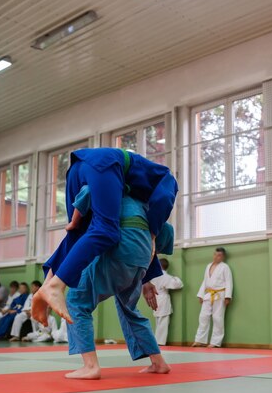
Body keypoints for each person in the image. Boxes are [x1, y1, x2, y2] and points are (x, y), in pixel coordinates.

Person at [32, 147, 178, 325]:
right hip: (105, 164)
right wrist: (154, 234)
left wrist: (76, 219)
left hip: (78, 172)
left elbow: (88, 194)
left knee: (79, 235)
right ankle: (56, 286)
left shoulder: (129, 190)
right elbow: (164, 201)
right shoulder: (167, 178)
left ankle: (47, 284)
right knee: (106, 231)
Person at [60, 184, 175, 379]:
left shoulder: (106, 185)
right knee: (128, 309)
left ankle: (90, 367)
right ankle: (158, 363)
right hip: (141, 261)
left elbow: (88, 192)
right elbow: (167, 232)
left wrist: (73, 221)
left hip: (119, 253)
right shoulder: (143, 202)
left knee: (77, 300)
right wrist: (145, 275)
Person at [192, 247, 233, 348]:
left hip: (220, 294)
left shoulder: (225, 267)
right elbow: (205, 281)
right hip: (208, 294)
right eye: (215, 254)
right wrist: (201, 294)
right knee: (203, 316)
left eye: (219, 255)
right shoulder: (208, 266)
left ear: (223, 257)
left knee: (217, 318)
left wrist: (228, 296)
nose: (216, 257)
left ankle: (215, 342)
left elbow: (229, 281)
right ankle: (200, 340)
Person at [150, 258, 183, 346]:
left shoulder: (153, 275)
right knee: (163, 321)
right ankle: (160, 341)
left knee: (158, 321)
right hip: (163, 298)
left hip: (155, 298)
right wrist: (175, 278)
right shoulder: (165, 276)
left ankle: (156, 340)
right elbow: (178, 285)